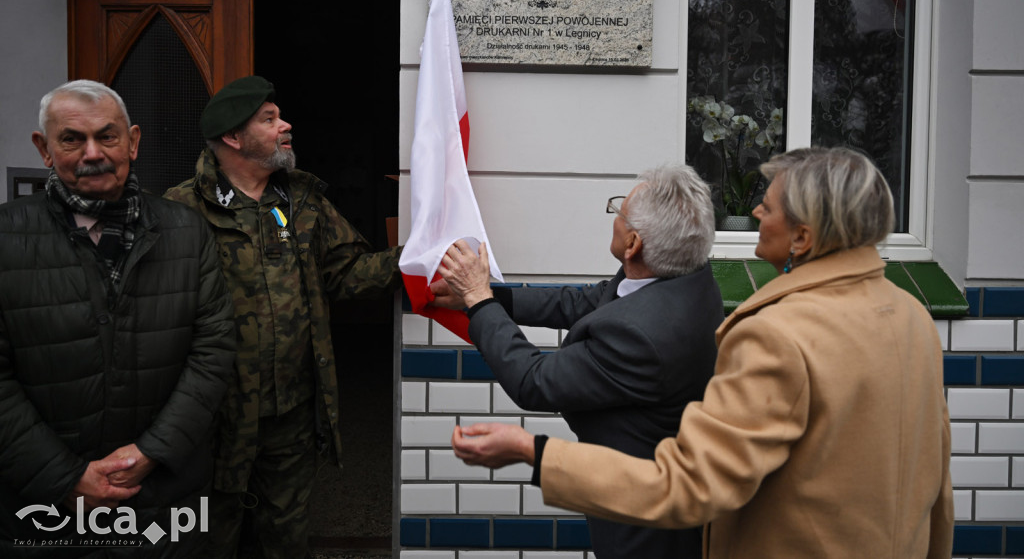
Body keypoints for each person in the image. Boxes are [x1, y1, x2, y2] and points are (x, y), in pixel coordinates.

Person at [451, 147, 954, 559]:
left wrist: (532, 453)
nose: (755, 211)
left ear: (803, 236)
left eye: (770, 206)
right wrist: (494, 295)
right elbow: (937, 477)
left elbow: (690, 485)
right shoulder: (910, 314)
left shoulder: (779, 334)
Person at [164, 75, 403, 559]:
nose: (286, 125)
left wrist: (415, 257)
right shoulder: (182, 209)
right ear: (233, 137)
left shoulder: (302, 200)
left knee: (287, 536)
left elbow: (349, 273)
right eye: (269, 119)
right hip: (213, 417)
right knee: (209, 537)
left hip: (291, 413)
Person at [432, 163, 722, 559]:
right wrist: (491, 298)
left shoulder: (641, 336)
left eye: (619, 211)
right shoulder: (687, 274)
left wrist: (479, 301)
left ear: (634, 243)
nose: (615, 217)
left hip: (641, 523)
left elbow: (533, 381)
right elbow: (588, 300)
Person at [0, 80, 236, 556]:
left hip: (163, 500)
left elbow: (214, 350)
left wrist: (149, 454)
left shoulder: (185, 231)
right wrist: (66, 478)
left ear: (132, 141)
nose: (92, 153)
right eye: (71, 139)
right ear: (44, 149)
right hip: (42, 508)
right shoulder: (6, 238)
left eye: (106, 137)